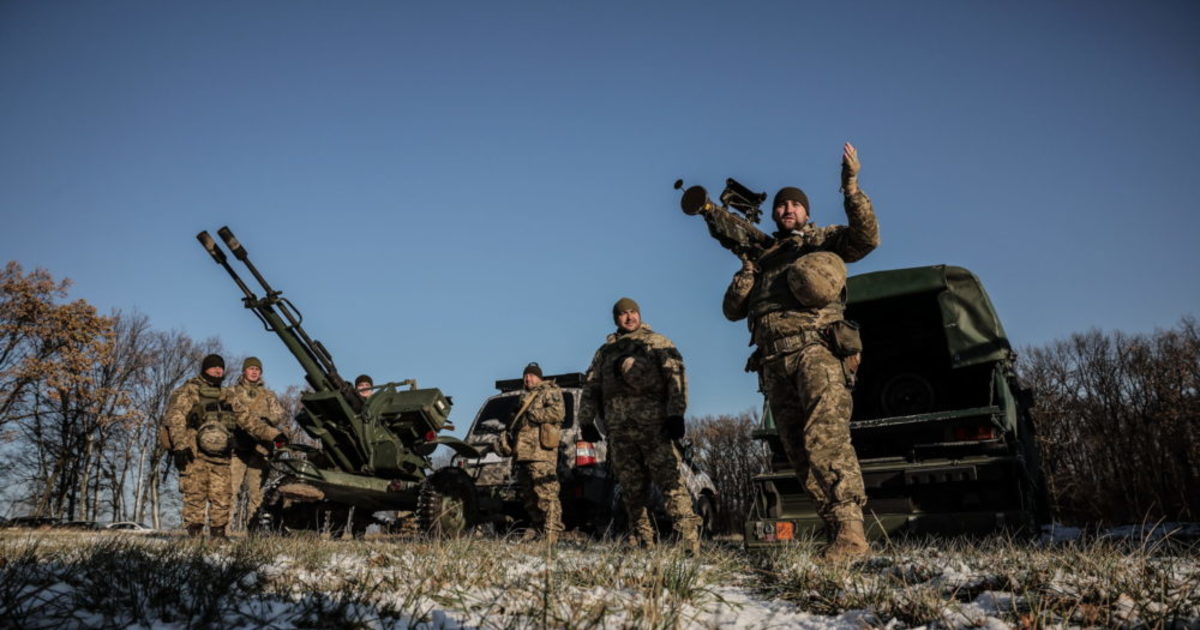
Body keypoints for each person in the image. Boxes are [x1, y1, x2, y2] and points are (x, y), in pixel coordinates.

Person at [722, 142, 880, 562]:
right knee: (797, 450)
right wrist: (748, 270)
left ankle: (852, 534)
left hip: (816, 351)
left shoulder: (821, 241)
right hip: (773, 361)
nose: (787, 210)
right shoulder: (764, 256)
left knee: (824, 438)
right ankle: (837, 533)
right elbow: (731, 311)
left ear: (806, 211)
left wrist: (851, 186)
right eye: (781, 205)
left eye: (795, 204)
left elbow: (867, 239)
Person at [578, 298, 701, 553]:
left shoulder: (657, 342)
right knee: (632, 491)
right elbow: (591, 387)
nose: (629, 317)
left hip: (655, 428)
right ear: (616, 319)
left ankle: (689, 541)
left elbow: (675, 377)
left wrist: (676, 415)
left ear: (639, 314)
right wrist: (585, 421)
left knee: (671, 484)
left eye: (633, 312)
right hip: (620, 431)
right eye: (623, 314)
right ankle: (645, 542)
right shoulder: (604, 352)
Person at [163, 353, 287, 538]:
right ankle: (194, 535)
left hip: (221, 455)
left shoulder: (227, 395)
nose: (218, 370)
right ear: (205, 369)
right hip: (194, 452)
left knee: (222, 496)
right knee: (195, 496)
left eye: (220, 368)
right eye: (213, 367)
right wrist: (180, 446)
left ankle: (219, 535)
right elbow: (176, 418)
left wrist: (275, 435)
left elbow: (248, 420)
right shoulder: (188, 390)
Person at [495, 362, 565, 543]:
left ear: (539, 377)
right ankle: (538, 528)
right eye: (525, 376)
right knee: (529, 496)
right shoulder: (523, 398)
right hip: (523, 453)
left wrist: (533, 413)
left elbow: (558, 413)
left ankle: (551, 533)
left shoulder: (550, 391)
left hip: (541, 453)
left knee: (546, 494)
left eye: (531, 375)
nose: (528, 379)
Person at [227, 357, 287, 532]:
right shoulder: (232, 392)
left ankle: (253, 531)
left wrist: (266, 420)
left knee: (257, 494)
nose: (254, 372)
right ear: (244, 371)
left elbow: (278, 414)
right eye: (250, 368)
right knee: (229, 490)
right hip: (237, 448)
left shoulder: (268, 395)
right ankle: (222, 530)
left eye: (257, 369)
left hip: (260, 450)